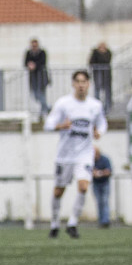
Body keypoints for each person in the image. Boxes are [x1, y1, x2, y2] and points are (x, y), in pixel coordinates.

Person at [43, 70, 107, 239]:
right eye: (78, 81)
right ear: (73, 84)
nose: (81, 85)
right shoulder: (64, 103)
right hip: (64, 155)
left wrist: (99, 132)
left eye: (84, 81)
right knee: (58, 191)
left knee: (83, 186)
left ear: (88, 84)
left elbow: (102, 123)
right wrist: (61, 126)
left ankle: (72, 223)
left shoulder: (95, 105)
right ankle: (55, 223)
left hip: (84, 154)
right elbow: (48, 124)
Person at [24, 38, 50, 117]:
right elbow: (25, 62)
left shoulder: (42, 52)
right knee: (35, 94)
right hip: (33, 77)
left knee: (41, 93)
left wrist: (35, 65)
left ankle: (43, 112)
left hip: (41, 77)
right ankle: (47, 107)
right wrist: (29, 65)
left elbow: (43, 62)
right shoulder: (29, 53)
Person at [88, 42, 113, 114]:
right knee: (97, 90)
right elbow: (92, 62)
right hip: (98, 74)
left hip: (106, 75)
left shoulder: (108, 52)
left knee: (107, 91)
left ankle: (107, 106)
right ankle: (97, 106)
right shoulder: (95, 53)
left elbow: (107, 61)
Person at [91, 147, 112, 228]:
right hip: (95, 183)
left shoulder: (105, 159)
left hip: (104, 183)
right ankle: (101, 221)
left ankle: (105, 220)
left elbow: (109, 171)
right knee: (99, 202)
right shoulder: (91, 160)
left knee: (105, 201)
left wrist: (100, 173)